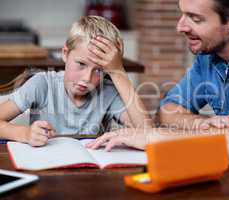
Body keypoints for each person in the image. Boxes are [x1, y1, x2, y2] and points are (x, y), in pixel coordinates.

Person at [86, 0, 229, 169]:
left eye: (195, 18)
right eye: (182, 13)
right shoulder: (210, 52)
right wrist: (202, 124)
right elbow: (168, 111)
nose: (180, 26)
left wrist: (155, 136)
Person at [0, 15, 152, 147]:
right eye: (81, 64)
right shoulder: (42, 84)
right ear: (65, 53)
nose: (87, 78)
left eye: (99, 70)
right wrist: (25, 134)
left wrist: (118, 72)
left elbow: (148, 134)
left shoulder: (108, 91)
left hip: (90, 175)